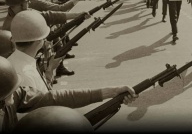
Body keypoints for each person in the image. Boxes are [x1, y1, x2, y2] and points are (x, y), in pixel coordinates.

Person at [0, 55, 138, 132]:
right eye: (8, 95)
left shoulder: (11, 93)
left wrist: (111, 92)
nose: (13, 100)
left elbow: (54, 98)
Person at [8, 10, 61, 92]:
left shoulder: (11, 62)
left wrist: (50, 69)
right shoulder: (27, 74)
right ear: (39, 41)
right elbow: (42, 101)